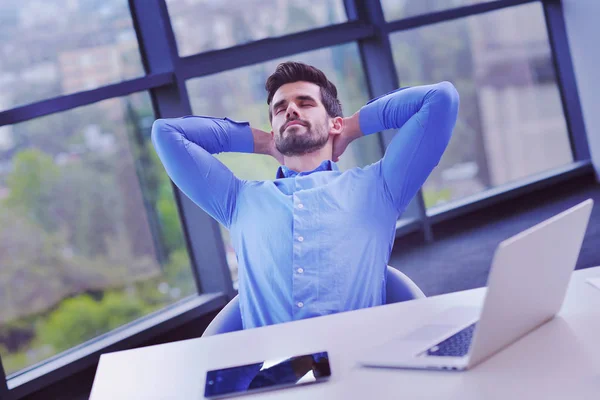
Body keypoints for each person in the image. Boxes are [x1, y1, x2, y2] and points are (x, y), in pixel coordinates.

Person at [151, 62, 459, 330]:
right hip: (271, 384)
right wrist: (262, 142)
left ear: (333, 122)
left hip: (360, 369)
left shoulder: (379, 186)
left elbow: (439, 99)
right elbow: (166, 133)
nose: (291, 110)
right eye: (280, 109)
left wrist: (351, 127)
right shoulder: (239, 199)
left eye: (305, 103)